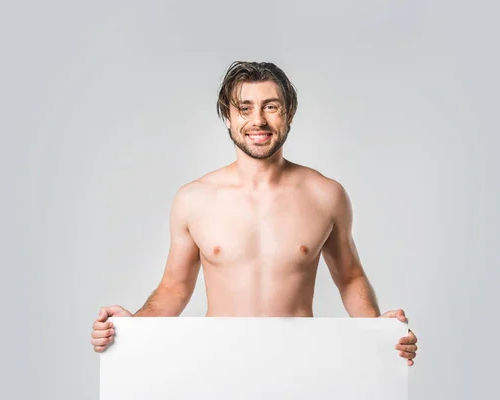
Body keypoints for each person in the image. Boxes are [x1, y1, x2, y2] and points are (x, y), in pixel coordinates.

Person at [90, 61, 418, 366]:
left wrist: (379, 331)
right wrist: (133, 325)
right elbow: (174, 289)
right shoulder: (194, 199)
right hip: (219, 362)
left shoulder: (326, 194)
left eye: (271, 106)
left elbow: (349, 278)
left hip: (299, 362)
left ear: (288, 114)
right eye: (244, 108)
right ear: (228, 117)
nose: (257, 120)